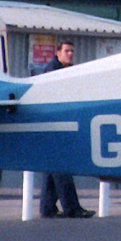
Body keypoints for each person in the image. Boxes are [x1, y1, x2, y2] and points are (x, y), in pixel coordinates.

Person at [38, 41, 93, 218]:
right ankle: (72, 208)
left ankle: (47, 207)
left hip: (55, 124)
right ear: (58, 53)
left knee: (52, 168)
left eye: (72, 51)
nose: (70, 54)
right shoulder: (53, 71)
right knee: (61, 166)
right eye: (66, 51)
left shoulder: (67, 70)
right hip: (55, 124)